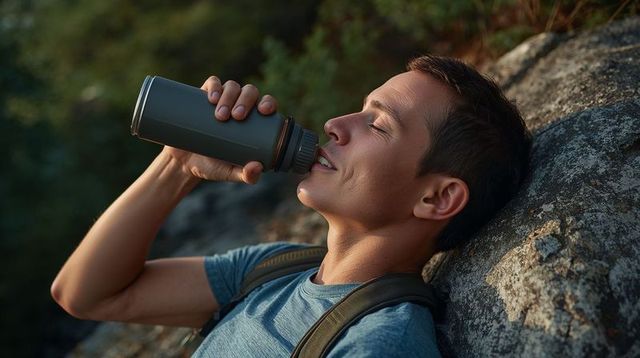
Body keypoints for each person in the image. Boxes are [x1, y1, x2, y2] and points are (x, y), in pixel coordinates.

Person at [51, 55, 531, 357]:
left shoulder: (381, 343)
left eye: (378, 125)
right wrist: (178, 165)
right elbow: (87, 295)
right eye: (361, 109)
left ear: (437, 198)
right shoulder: (272, 270)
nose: (336, 124)